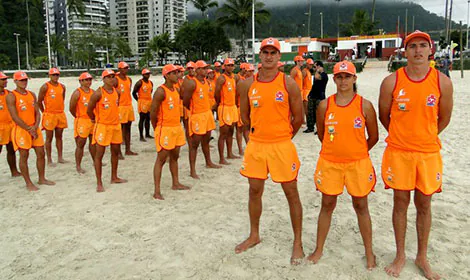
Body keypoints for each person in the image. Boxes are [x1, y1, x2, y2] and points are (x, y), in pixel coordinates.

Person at [379, 30, 453, 280]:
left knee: (424, 204)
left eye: (423, 45)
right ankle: (400, 254)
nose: (418, 50)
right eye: (412, 46)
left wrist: (425, 137)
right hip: (399, 152)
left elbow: (444, 118)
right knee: (400, 202)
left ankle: (421, 256)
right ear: (405, 51)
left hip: (428, 153)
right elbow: (384, 116)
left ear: (430, 50)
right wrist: (404, 137)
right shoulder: (392, 81)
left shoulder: (442, 81)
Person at [236, 37, 304, 265]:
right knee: (254, 191)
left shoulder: (288, 83)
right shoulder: (247, 84)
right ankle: (254, 234)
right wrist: (254, 139)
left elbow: (299, 118)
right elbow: (244, 118)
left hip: (281, 145)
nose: (268, 56)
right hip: (256, 145)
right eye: (265, 52)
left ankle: (297, 242)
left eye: (273, 52)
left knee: (291, 192)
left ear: (279, 56)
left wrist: (282, 138)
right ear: (259, 55)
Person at [307, 61, 378, 270]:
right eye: (339, 76)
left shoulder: (364, 105)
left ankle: (369, 252)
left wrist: (356, 151)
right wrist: (336, 150)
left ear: (355, 79)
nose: (343, 80)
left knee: (361, 206)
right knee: (327, 205)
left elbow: (373, 137)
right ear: (334, 78)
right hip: (330, 163)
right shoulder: (324, 105)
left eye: (347, 76)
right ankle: (319, 249)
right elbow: (321, 134)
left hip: (358, 163)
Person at [6, 71, 55, 190]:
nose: (24, 82)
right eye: (21, 80)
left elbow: (37, 112)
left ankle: (41, 178)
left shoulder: (31, 94)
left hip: (34, 127)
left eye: (25, 80)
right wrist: (28, 128)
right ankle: (28, 183)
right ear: (15, 81)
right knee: (24, 155)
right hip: (21, 129)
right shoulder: (11, 96)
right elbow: (14, 116)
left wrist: (35, 126)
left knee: (40, 153)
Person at [150, 64, 190, 200]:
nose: (177, 75)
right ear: (167, 75)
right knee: (161, 159)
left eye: (177, 72)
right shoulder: (160, 91)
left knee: (175, 156)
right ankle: (156, 191)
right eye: (174, 73)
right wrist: (157, 127)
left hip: (176, 127)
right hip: (165, 128)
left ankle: (175, 183)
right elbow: (153, 111)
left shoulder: (175, 89)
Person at [87, 69, 127, 192]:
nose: (111, 79)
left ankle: (114, 177)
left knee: (115, 152)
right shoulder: (98, 93)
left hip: (115, 125)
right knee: (99, 154)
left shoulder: (117, 92)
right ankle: (99, 182)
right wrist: (94, 119)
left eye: (113, 76)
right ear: (103, 79)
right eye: (109, 77)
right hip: (103, 126)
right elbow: (89, 110)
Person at [182, 60, 221, 179]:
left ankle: (208, 162)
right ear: (197, 70)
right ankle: (192, 170)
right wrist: (194, 110)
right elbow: (185, 101)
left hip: (207, 114)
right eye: (203, 68)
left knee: (206, 140)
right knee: (194, 144)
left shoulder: (206, 82)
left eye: (206, 68)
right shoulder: (192, 83)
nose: (206, 70)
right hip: (197, 115)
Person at [38, 67, 67, 166]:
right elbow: (39, 101)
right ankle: (49, 159)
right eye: (53, 75)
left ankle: (60, 157)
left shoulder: (62, 86)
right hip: (49, 114)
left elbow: (62, 99)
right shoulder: (45, 87)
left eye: (57, 75)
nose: (55, 77)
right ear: (49, 75)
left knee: (59, 136)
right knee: (49, 138)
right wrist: (44, 112)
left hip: (60, 113)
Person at [69, 72, 96, 174]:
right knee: (81, 143)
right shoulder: (77, 93)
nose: (89, 81)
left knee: (93, 143)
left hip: (92, 120)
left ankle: (95, 161)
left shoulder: (93, 92)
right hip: (82, 120)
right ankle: (78, 166)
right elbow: (71, 108)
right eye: (86, 80)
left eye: (90, 79)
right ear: (81, 81)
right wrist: (78, 117)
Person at [215, 58, 240, 164]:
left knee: (231, 131)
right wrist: (220, 104)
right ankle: (221, 158)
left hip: (232, 107)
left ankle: (229, 153)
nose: (230, 67)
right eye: (228, 65)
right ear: (224, 67)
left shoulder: (235, 77)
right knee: (223, 133)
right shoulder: (221, 78)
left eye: (232, 65)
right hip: (224, 107)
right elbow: (216, 93)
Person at [0, 72, 21, 177]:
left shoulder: (9, 94)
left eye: (6, 79)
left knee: (11, 149)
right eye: (3, 80)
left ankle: (14, 171)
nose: (5, 81)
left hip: (10, 125)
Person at [116, 61, 137, 157]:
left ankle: (128, 150)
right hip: (120, 107)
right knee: (120, 129)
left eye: (127, 68)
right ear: (119, 69)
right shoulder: (116, 80)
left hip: (128, 106)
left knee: (128, 128)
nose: (126, 70)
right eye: (124, 68)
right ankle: (118, 152)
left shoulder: (129, 79)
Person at [235, 64, 253, 155]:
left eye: (252, 71)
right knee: (240, 129)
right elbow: (236, 95)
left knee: (247, 128)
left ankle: (248, 146)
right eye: (250, 71)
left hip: (248, 107)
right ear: (245, 71)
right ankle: (240, 149)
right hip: (240, 107)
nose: (252, 73)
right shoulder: (241, 82)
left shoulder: (251, 81)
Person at [306, 61, 328, 133]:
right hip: (313, 95)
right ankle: (310, 127)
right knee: (310, 112)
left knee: (319, 113)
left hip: (320, 96)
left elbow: (317, 77)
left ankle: (319, 129)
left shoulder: (324, 75)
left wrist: (318, 71)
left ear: (319, 66)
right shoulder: (317, 74)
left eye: (315, 67)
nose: (314, 68)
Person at [132, 68, 154, 142]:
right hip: (142, 102)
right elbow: (134, 92)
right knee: (142, 119)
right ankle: (141, 136)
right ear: (143, 75)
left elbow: (150, 91)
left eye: (148, 74)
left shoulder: (150, 82)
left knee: (148, 118)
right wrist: (138, 100)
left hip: (149, 101)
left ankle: (147, 134)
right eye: (146, 74)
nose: (148, 75)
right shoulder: (139, 82)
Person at [302, 59, 314, 131]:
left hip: (309, 91)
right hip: (305, 91)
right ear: (307, 64)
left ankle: (309, 122)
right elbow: (301, 81)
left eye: (312, 65)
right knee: (306, 108)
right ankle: (306, 122)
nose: (311, 66)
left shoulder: (309, 71)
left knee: (310, 108)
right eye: (310, 65)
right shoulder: (304, 71)